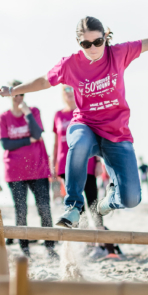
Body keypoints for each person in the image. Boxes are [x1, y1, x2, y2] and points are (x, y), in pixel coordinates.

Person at [0, 16, 148, 228]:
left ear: (105, 37)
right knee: (79, 142)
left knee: (132, 198)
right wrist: (14, 90)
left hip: (116, 133)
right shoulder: (71, 64)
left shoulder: (119, 53)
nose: (92, 48)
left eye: (98, 42)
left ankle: (107, 202)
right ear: (78, 43)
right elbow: (45, 80)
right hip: (85, 125)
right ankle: (73, 205)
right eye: (86, 44)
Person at [0, 80, 56, 259]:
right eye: (14, 94)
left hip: (37, 168)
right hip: (15, 172)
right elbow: (5, 144)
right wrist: (27, 141)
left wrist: (27, 113)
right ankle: (24, 249)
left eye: (21, 94)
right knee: (21, 210)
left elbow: (37, 134)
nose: (18, 98)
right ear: (9, 95)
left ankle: (50, 247)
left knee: (44, 209)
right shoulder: (3, 117)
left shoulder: (34, 112)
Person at [52, 85, 101, 224]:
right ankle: (84, 238)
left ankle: (101, 238)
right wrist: (53, 164)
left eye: (72, 89)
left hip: (87, 161)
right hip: (66, 164)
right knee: (75, 204)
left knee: (93, 201)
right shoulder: (58, 115)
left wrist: (98, 162)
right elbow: (56, 143)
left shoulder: (85, 111)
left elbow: (95, 136)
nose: (69, 92)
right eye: (66, 90)